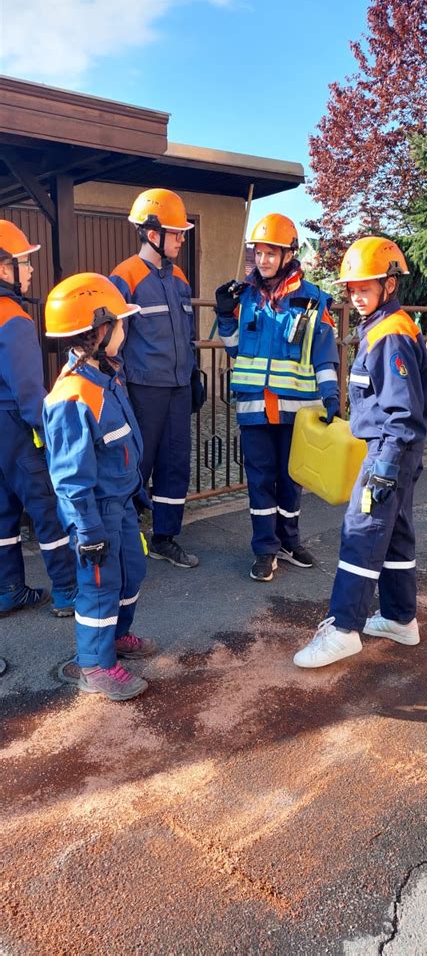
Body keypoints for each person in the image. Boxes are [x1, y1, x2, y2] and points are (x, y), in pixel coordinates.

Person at [293, 236, 427, 669]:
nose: (356, 296)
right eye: (351, 288)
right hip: (398, 449)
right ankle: (399, 618)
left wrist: (385, 466)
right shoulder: (386, 327)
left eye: (365, 287)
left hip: (389, 449)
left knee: (362, 529)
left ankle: (342, 629)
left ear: (389, 285)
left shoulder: (389, 336)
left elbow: (402, 410)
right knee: (395, 532)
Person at [43, 273, 156, 701]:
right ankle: (93, 665)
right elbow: (71, 479)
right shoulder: (74, 395)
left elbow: (120, 444)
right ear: (100, 329)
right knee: (99, 586)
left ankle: (116, 639)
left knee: (132, 573)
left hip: (120, 504)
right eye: (121, 324)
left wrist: (136, 492)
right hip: (95, 516)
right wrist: (88, 533)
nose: (126, 331)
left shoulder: (105, 376)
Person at [215, 213, 340, 581]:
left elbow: (324, 354)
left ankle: (289, 542)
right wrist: (225, 315)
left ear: (289, 255)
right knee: (259, 482)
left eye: (272, 252)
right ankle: (264, 550)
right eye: (259, 252)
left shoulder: (313, 300)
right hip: (255, 409)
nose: (264, 260)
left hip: (297, 412)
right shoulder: (246, 298)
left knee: (291, 480)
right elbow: (236, 349)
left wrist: (331, 395)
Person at [110, 188, 205, 569]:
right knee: (138, 464)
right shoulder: (124, 277)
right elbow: (113, 341)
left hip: (179, 387)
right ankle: (127, 540)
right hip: (144, 390)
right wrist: (118, 390)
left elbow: (188, 332)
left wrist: (194, 373)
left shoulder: (179, 277)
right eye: (176, 233)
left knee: (175, 463)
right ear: (153, 234)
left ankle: (165, 537)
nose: (182, 239)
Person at [0, 220, 76, 617]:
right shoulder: (14, 319)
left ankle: (8, 589)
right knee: (45, 509)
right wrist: (51, 436)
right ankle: (66, 590)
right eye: (24, 262)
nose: (30, 270)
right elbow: (29, 393)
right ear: (3, 268)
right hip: (14, 428)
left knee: (1, 514)